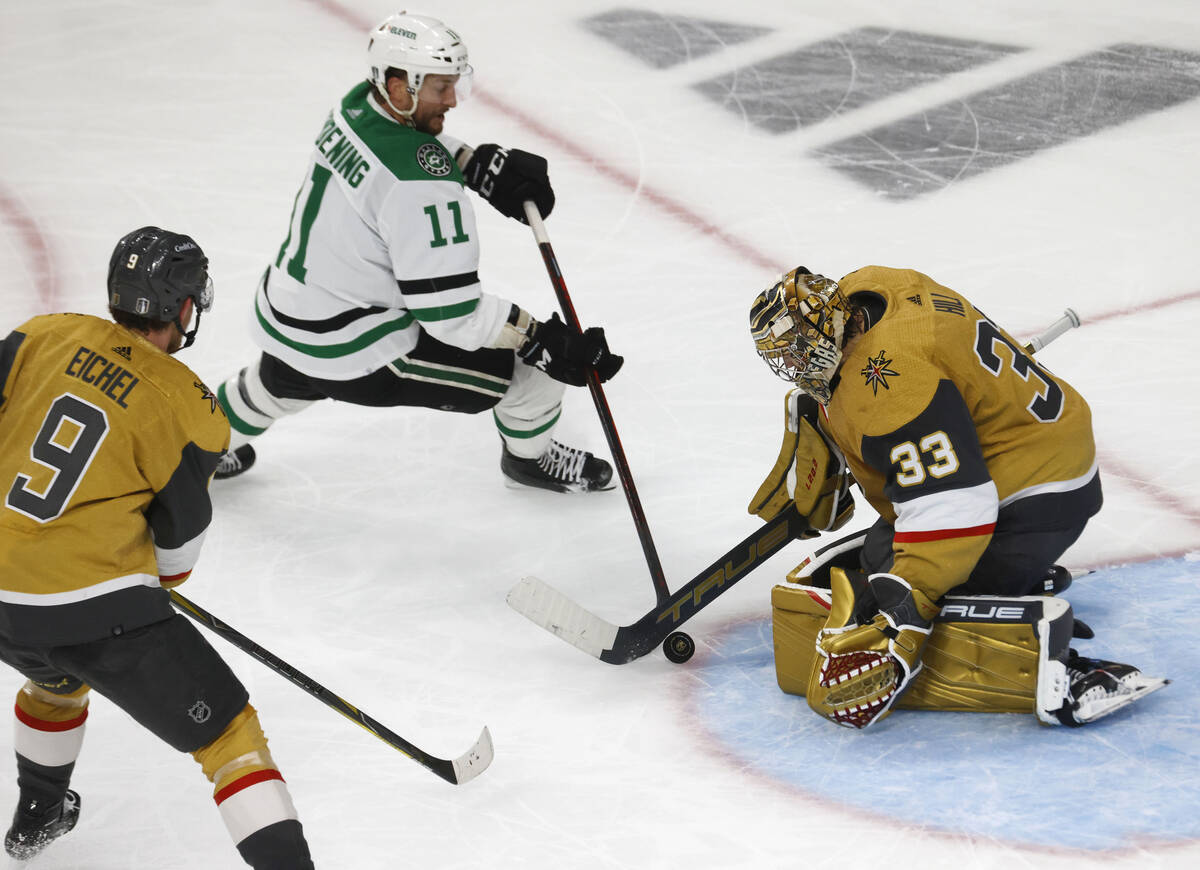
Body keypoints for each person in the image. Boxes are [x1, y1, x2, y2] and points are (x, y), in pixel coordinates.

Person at [0, 227, 315, 867]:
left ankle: (38, 813)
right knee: (230, 737)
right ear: (180, 308)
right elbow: (180, 545)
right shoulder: (190, 406)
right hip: (89, 608)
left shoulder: (43, 333)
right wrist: (143, 598)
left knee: (55, 672)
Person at [213, 11, 622, 492]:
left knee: (281, 378)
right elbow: (451, 315)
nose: (451, 101)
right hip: (358, 351)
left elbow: (401, 149)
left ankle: (206, 444)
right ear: (398, 85)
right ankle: (530, 459)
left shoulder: (356, 105)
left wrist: (471, 163)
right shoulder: (421, 187)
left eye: (454, 85)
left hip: (287, 311)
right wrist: (539, 339)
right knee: (532, 371)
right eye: (438, 88)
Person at [746, 265, 1166, 729]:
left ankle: (1062, 665)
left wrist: (906, 605)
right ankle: (1013, 571)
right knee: (879, 552)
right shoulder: (875, 286)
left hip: (1042, 487)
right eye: (784, 355)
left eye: (800, 350)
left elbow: (952, 505)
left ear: (832, 326)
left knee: (893, 572)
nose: (794, 365)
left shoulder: (886, 381)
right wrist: (833, 427)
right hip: (1037, 440)